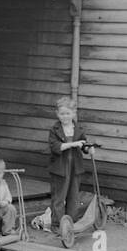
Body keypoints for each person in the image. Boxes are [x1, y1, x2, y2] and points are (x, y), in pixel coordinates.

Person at [38, 96, 92, 231]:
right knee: (59, 197)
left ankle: (71, 223)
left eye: (68, 113)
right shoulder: (54, 130)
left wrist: (88, 148)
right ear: (57, 114)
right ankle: (57, 225)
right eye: (62, 114)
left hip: (75, 168)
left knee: (73, 196)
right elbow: (56, 147)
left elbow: (83, 143)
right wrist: (73, 144)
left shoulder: (78, 128)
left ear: (74, 113)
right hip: (60, 169)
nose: (65, 116)